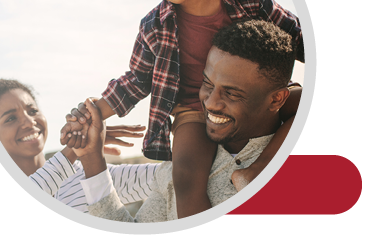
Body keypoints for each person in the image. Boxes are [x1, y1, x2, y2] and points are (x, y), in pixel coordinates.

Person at [62, 0, 303, 218]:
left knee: (308, 103)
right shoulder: (154, 25)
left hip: (251, 100)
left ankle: (257, 169)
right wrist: (92, 112)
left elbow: (297, 37)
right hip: (192, 110)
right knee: (186, 176)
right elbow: (136, 80)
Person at [66, 19, 297, 222]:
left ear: (277, 99)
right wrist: (92, 158)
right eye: (207, 84)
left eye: (232, 93)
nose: (210, 103)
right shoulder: (181, 165)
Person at [0, 74, 159, 213]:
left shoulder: (88, 175)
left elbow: (170, 177)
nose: (29, 122)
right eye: (11, 118)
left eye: (33, 110)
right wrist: (76, 148)